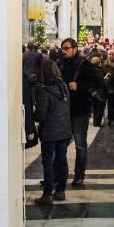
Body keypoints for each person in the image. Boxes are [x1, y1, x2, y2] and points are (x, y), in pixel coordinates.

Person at [60, 38, 101, 187]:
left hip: (80, 110)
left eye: (66, 48)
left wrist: (79, 86)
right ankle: (57, 175)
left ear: (75, 49)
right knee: (60, 144)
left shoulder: (85, 64)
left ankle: (79, 175)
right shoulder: (61, 63)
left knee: (80, 144)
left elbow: (98, 83)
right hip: (63, 110)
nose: (63, 51)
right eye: (62, 48)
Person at [34, 58, 72, 205]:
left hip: (50, 131)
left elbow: (41, 115)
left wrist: (33, 114)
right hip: (64, 129)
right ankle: (61, 191)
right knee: (62, 160)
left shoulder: (44, 90)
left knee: (47, 162)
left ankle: (47, 194)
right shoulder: (63, 86)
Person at [89, 56, 107, 127]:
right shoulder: (98, 71)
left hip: (92, 91)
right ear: (98, 62)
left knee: (95, 108)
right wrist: (105, 80)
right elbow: (101, 82)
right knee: (100, 108)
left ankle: (95, 122)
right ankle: (97, 122)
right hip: (99, 91)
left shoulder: (89, 70)